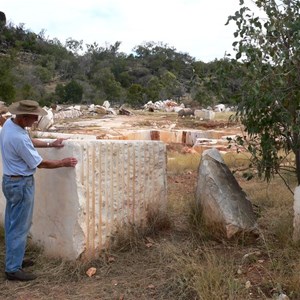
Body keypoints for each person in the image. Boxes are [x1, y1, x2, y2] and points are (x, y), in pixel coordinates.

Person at [0, 100, 78, 281]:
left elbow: (29, 140)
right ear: (24, 116)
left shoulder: (10, 125)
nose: (36, 120)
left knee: (13, 223)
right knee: (20, 226)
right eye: (34, 117)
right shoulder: (17, 137)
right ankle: (13, 269)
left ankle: (15, 260)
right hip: (20, 184)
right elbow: (40, 163)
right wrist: (63, 163)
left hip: (10, 181)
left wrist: (51, 144)